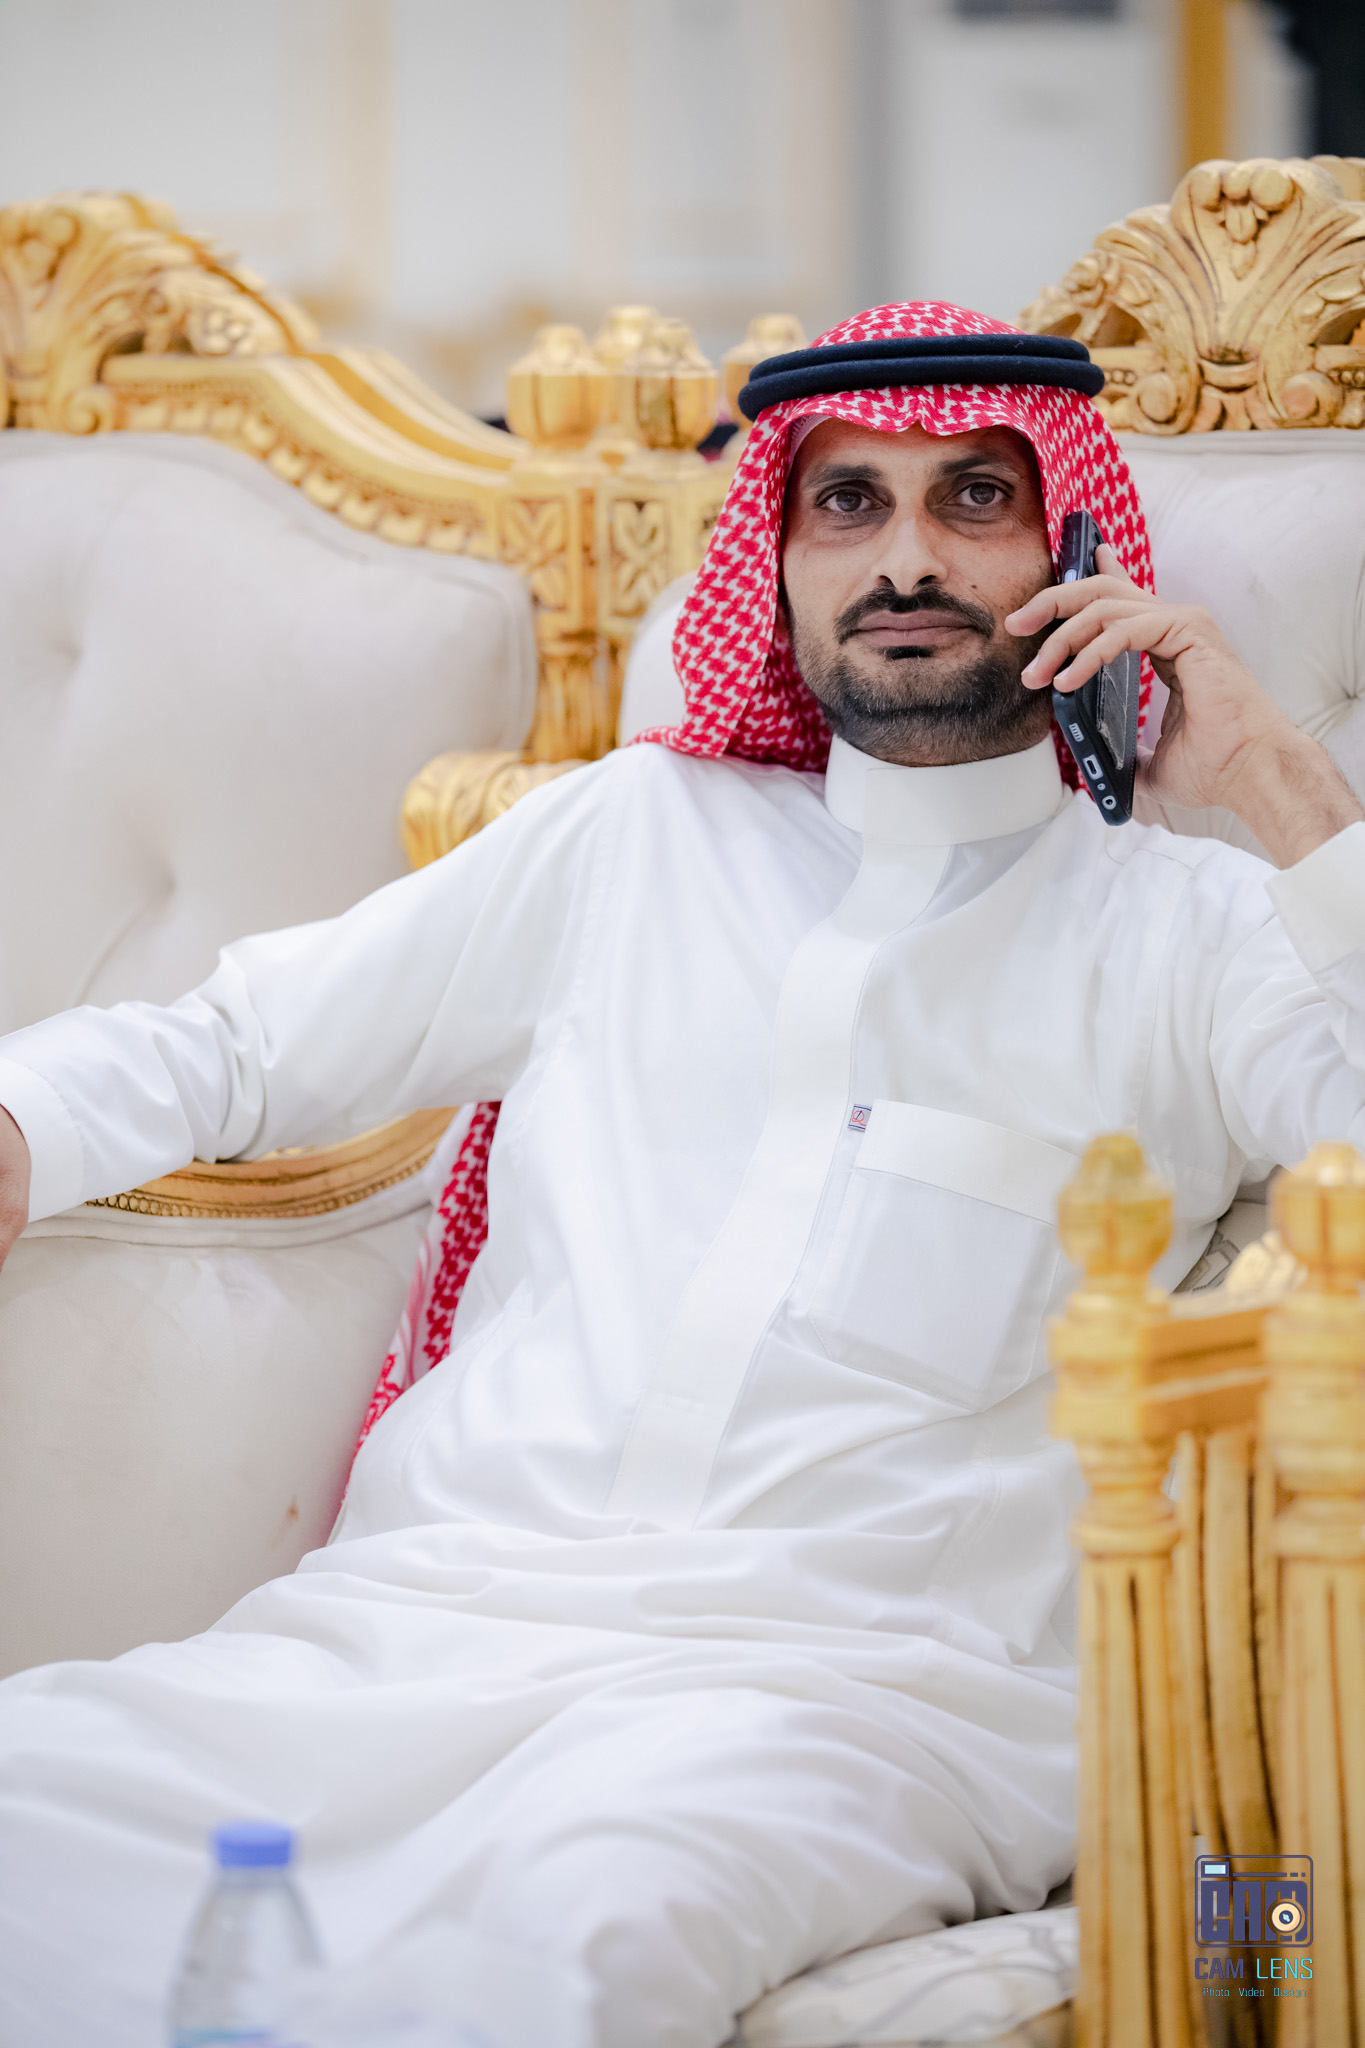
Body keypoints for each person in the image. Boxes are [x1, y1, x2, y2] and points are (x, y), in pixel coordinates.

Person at [1, 300, 1363, 2048]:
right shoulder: (628, 834)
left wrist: (1271, 780)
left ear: (1075, 547)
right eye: (847, 504)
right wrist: (21, 1127)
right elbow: (240, 1046)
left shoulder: (1194, 926)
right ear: (775, 567)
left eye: (973, 498)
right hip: (411, 1628)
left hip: (844, 1703)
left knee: (564, 1952)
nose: (906, 558)